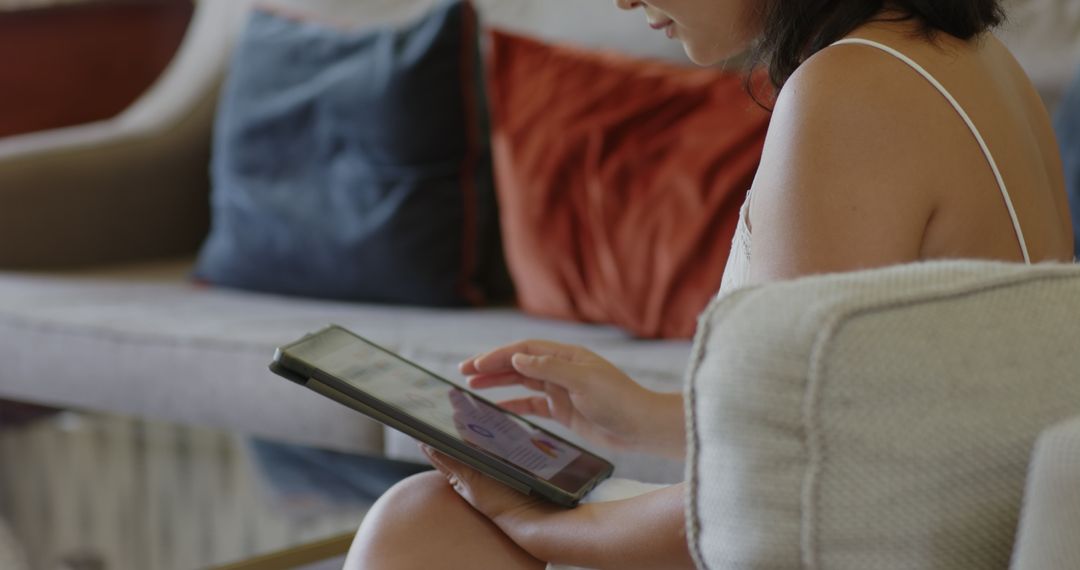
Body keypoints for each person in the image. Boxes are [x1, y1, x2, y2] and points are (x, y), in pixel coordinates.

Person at [346, 0, 1076, 568]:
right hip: (941, 532)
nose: (624, 2)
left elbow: (774, 511)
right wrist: (647, 415)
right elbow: (874, 420)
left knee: (425, 521)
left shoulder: (848, 91)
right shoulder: (975, 60)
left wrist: (544, 525)